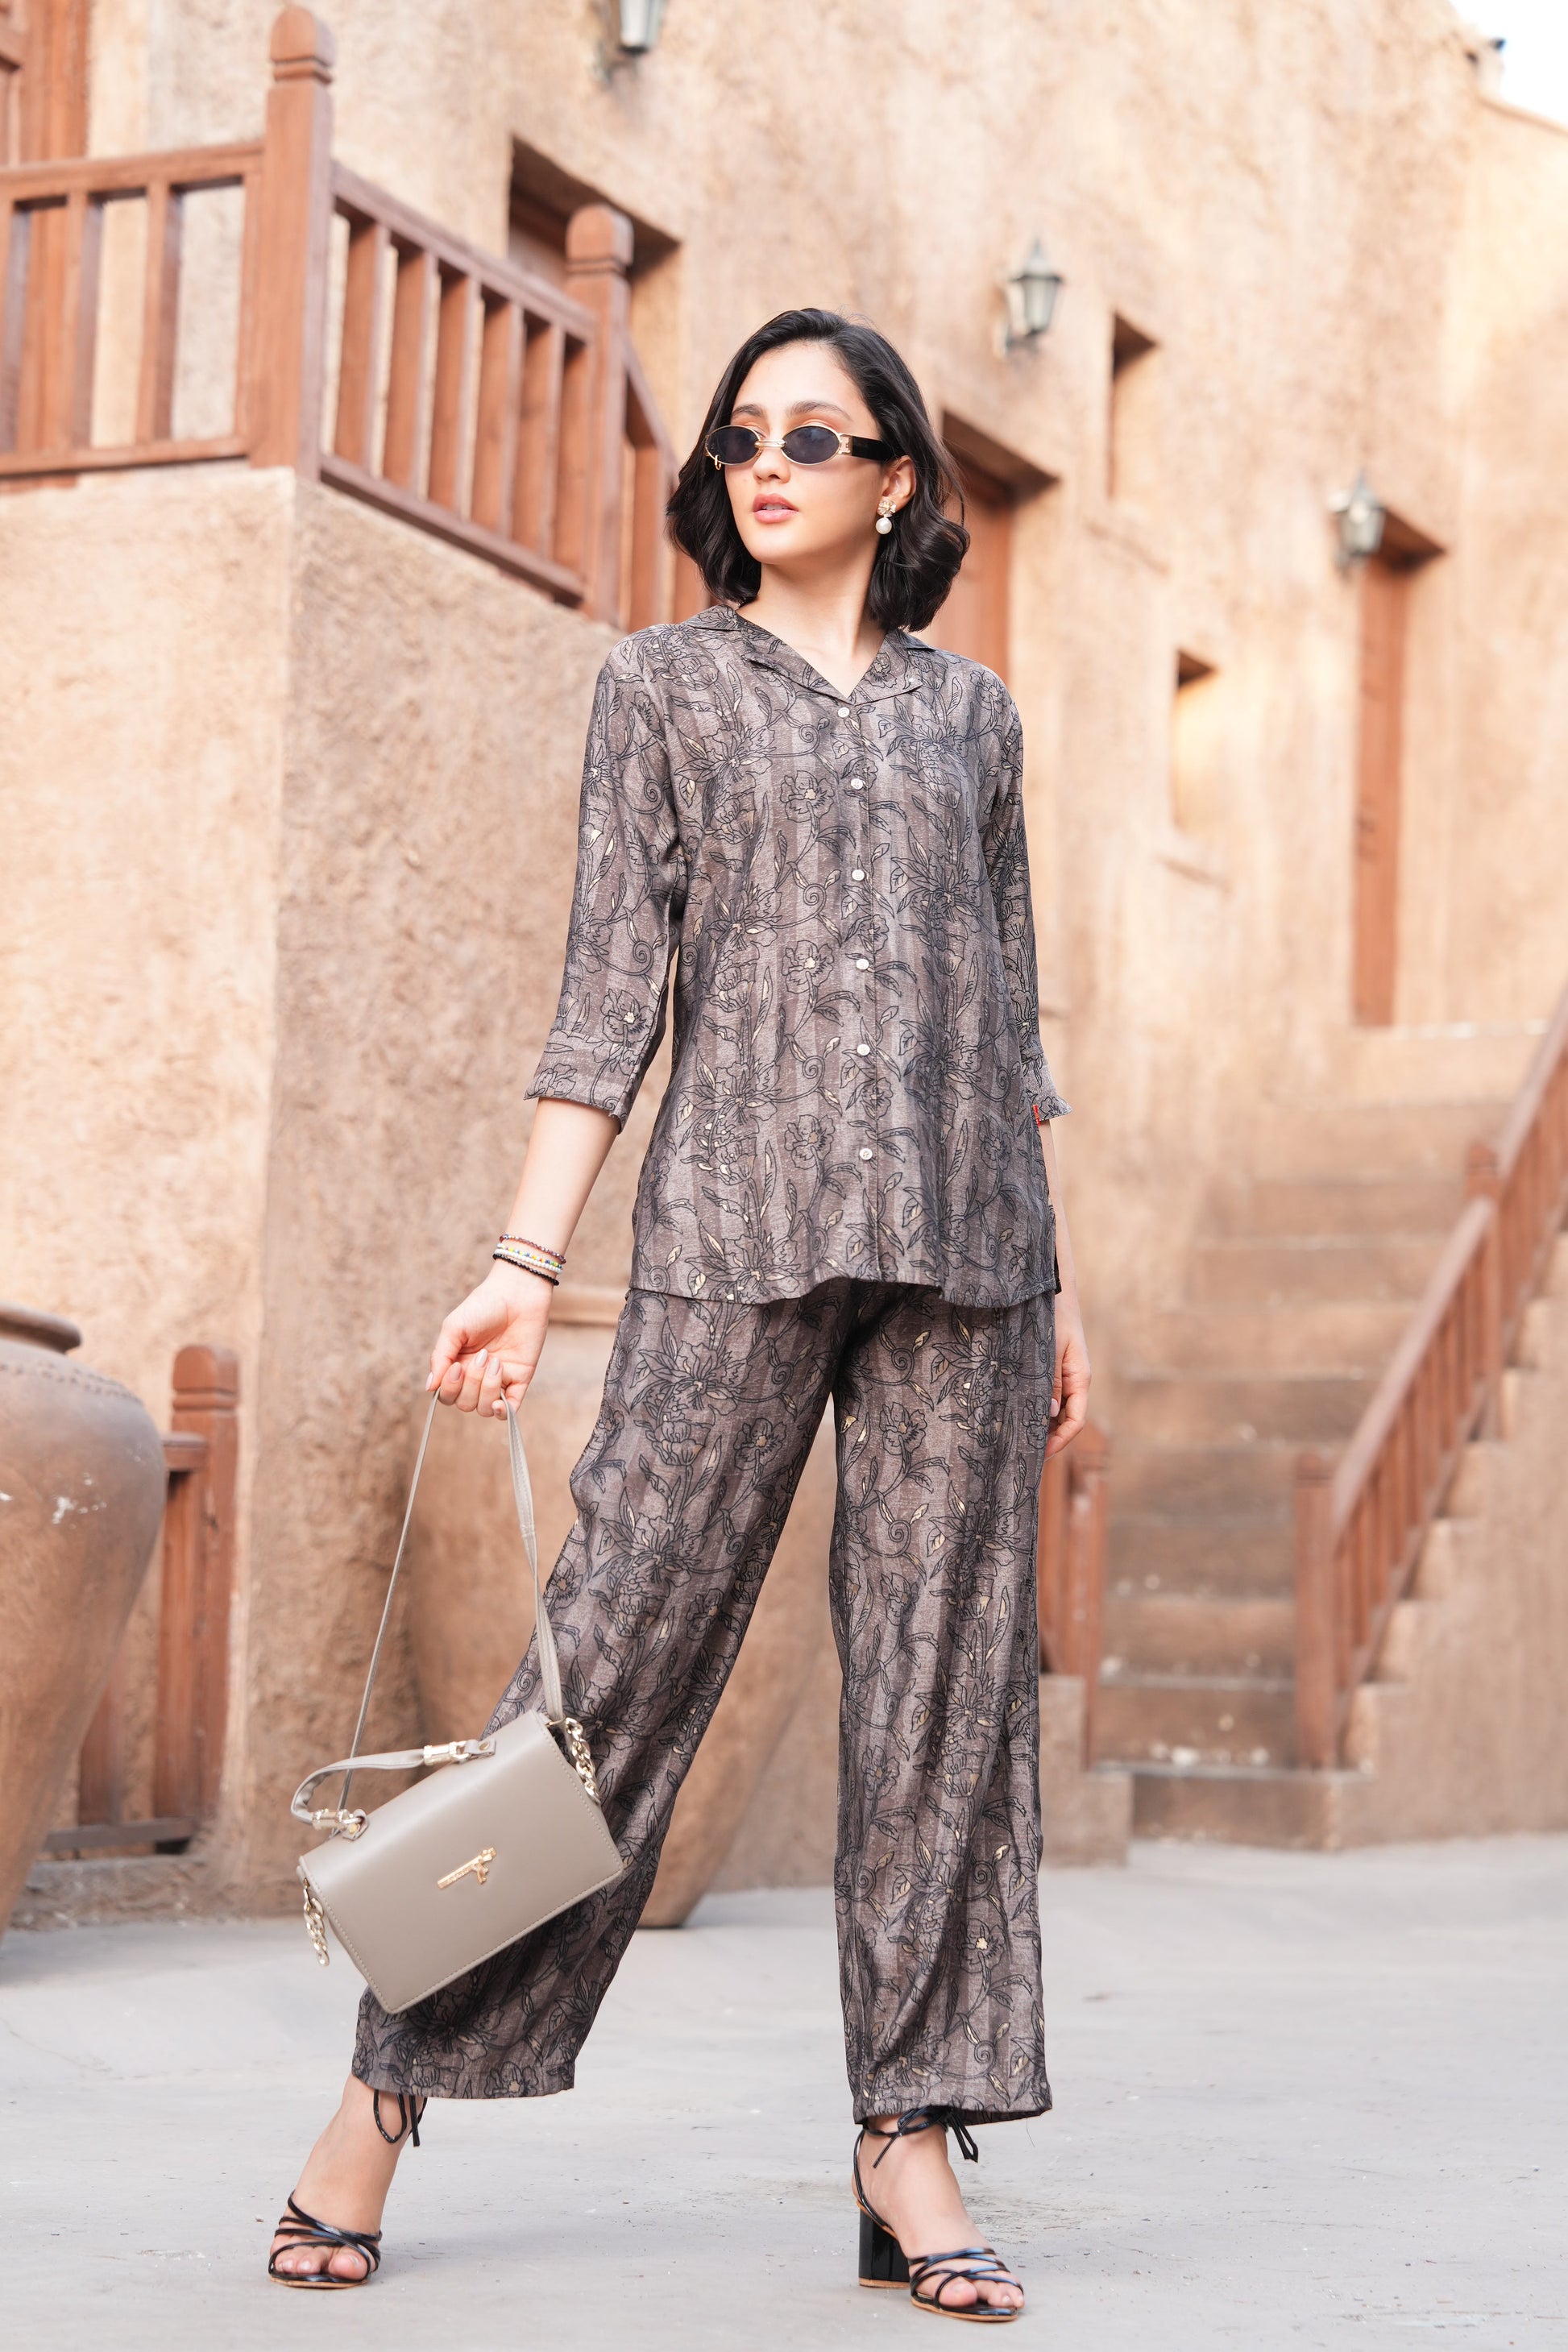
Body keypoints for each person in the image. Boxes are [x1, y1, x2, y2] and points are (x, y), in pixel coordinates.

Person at [268, 306, 1090, 2322]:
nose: (769, 464)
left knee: (944, 1700)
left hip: (972, 1262)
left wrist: (1062, 1275)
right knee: (601, 1681)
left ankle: (908, 2132)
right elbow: (603, 1001)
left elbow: (1006, 1023)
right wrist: (523, 1259)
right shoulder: (660, 688)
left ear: (896, 475)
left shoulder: (973, 718)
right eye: (742, 436)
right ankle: (384, 2088)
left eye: (815, 434)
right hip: (729, 1237)